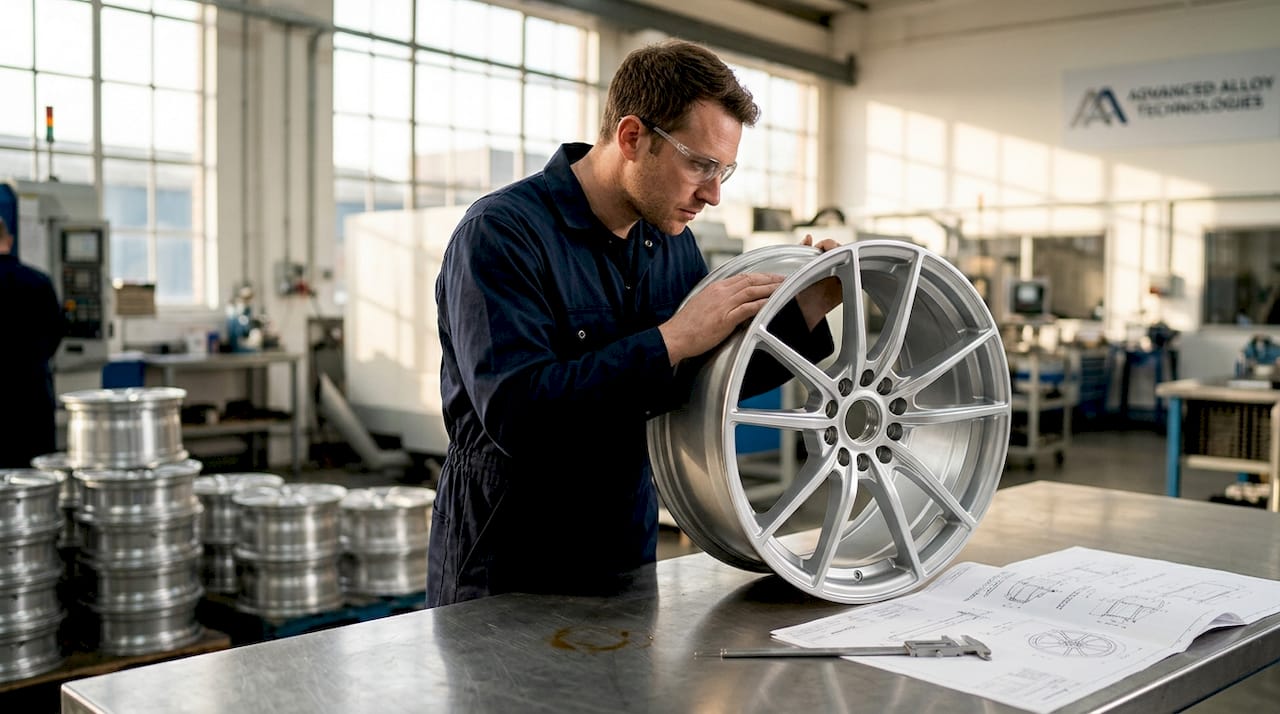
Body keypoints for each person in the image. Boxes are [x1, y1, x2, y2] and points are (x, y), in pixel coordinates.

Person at [429, 39, 839, 607]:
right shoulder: (503, 235)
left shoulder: (672, 244)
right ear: (631, 138)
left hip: (624, 552)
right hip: (510, 561)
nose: (713, 194)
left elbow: (704, 383)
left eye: (724, 171)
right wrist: (673, 338)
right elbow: (517, 414)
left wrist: (805, 310)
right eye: (700, 165)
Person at [0, 215, 66, 468]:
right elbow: (56, 333)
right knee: (37, 475)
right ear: (9, 240)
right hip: (33, 395)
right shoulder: (39, 281)